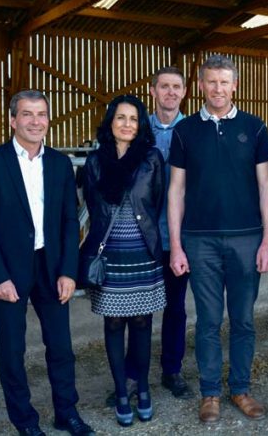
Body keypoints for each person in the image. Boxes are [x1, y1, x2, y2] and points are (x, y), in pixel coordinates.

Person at [0, 90, 94, 436]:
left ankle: (66, 412)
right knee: (13, 349)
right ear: (13, 120)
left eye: (41, 114)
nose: (35, 121)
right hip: (9, 270)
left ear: (48, 120)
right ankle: (25, 421)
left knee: (61, 346)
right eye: (27, 114)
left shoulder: (59, 163)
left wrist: (70, 270)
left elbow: (71, 221)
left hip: (51, 267)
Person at [168, 54, 268, 423]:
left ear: (235, 85)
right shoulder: (185, 131)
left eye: (224, 82)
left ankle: (241, 389)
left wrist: (267, 241)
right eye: (210, 82)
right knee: (209, 320)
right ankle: (210, 392)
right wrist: (177, 244)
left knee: (243, 319)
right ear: (200, 85)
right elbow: (176, 190)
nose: (217, 88)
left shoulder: (255, 127)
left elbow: (266, 185)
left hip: (247, 238)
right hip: (200, 240)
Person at [80, 94, 166, 427]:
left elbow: (155, 202)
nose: (127, 124)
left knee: (143, 323)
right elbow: (94, 204)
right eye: (120, 118)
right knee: (114, 323)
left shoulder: (152, 159)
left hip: (142, 253)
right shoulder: (96, 162)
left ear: (141, 124)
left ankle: (142, 387)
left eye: (133, 118)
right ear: (110, 123)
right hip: (109, 254)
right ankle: (119, 391)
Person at [121, 66, 195, 400]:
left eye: (176, 87)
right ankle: (134, 375)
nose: (170, 92)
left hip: (179, 237)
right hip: (141, 236)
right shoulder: (138, 130)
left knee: (176, 306)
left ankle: (171, 370)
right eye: (163, 86)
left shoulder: (194, 130)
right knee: (138, 309)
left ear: (184, 92)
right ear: (152, 91)